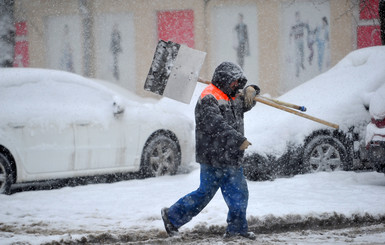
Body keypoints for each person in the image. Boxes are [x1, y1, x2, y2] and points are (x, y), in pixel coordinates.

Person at [161, 62, 260, 240]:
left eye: (239, 82)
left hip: (231, 156)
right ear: (224, 80)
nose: (236, 86)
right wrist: (239, 140)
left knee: (239, 193)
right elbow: (217, 126)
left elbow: (244, 104)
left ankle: (237, 229)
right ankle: (172, 216)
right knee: (204, 194)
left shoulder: (232, 95)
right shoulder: (208, 98)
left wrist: (252, 90)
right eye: (234, 82)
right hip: (213, 156)